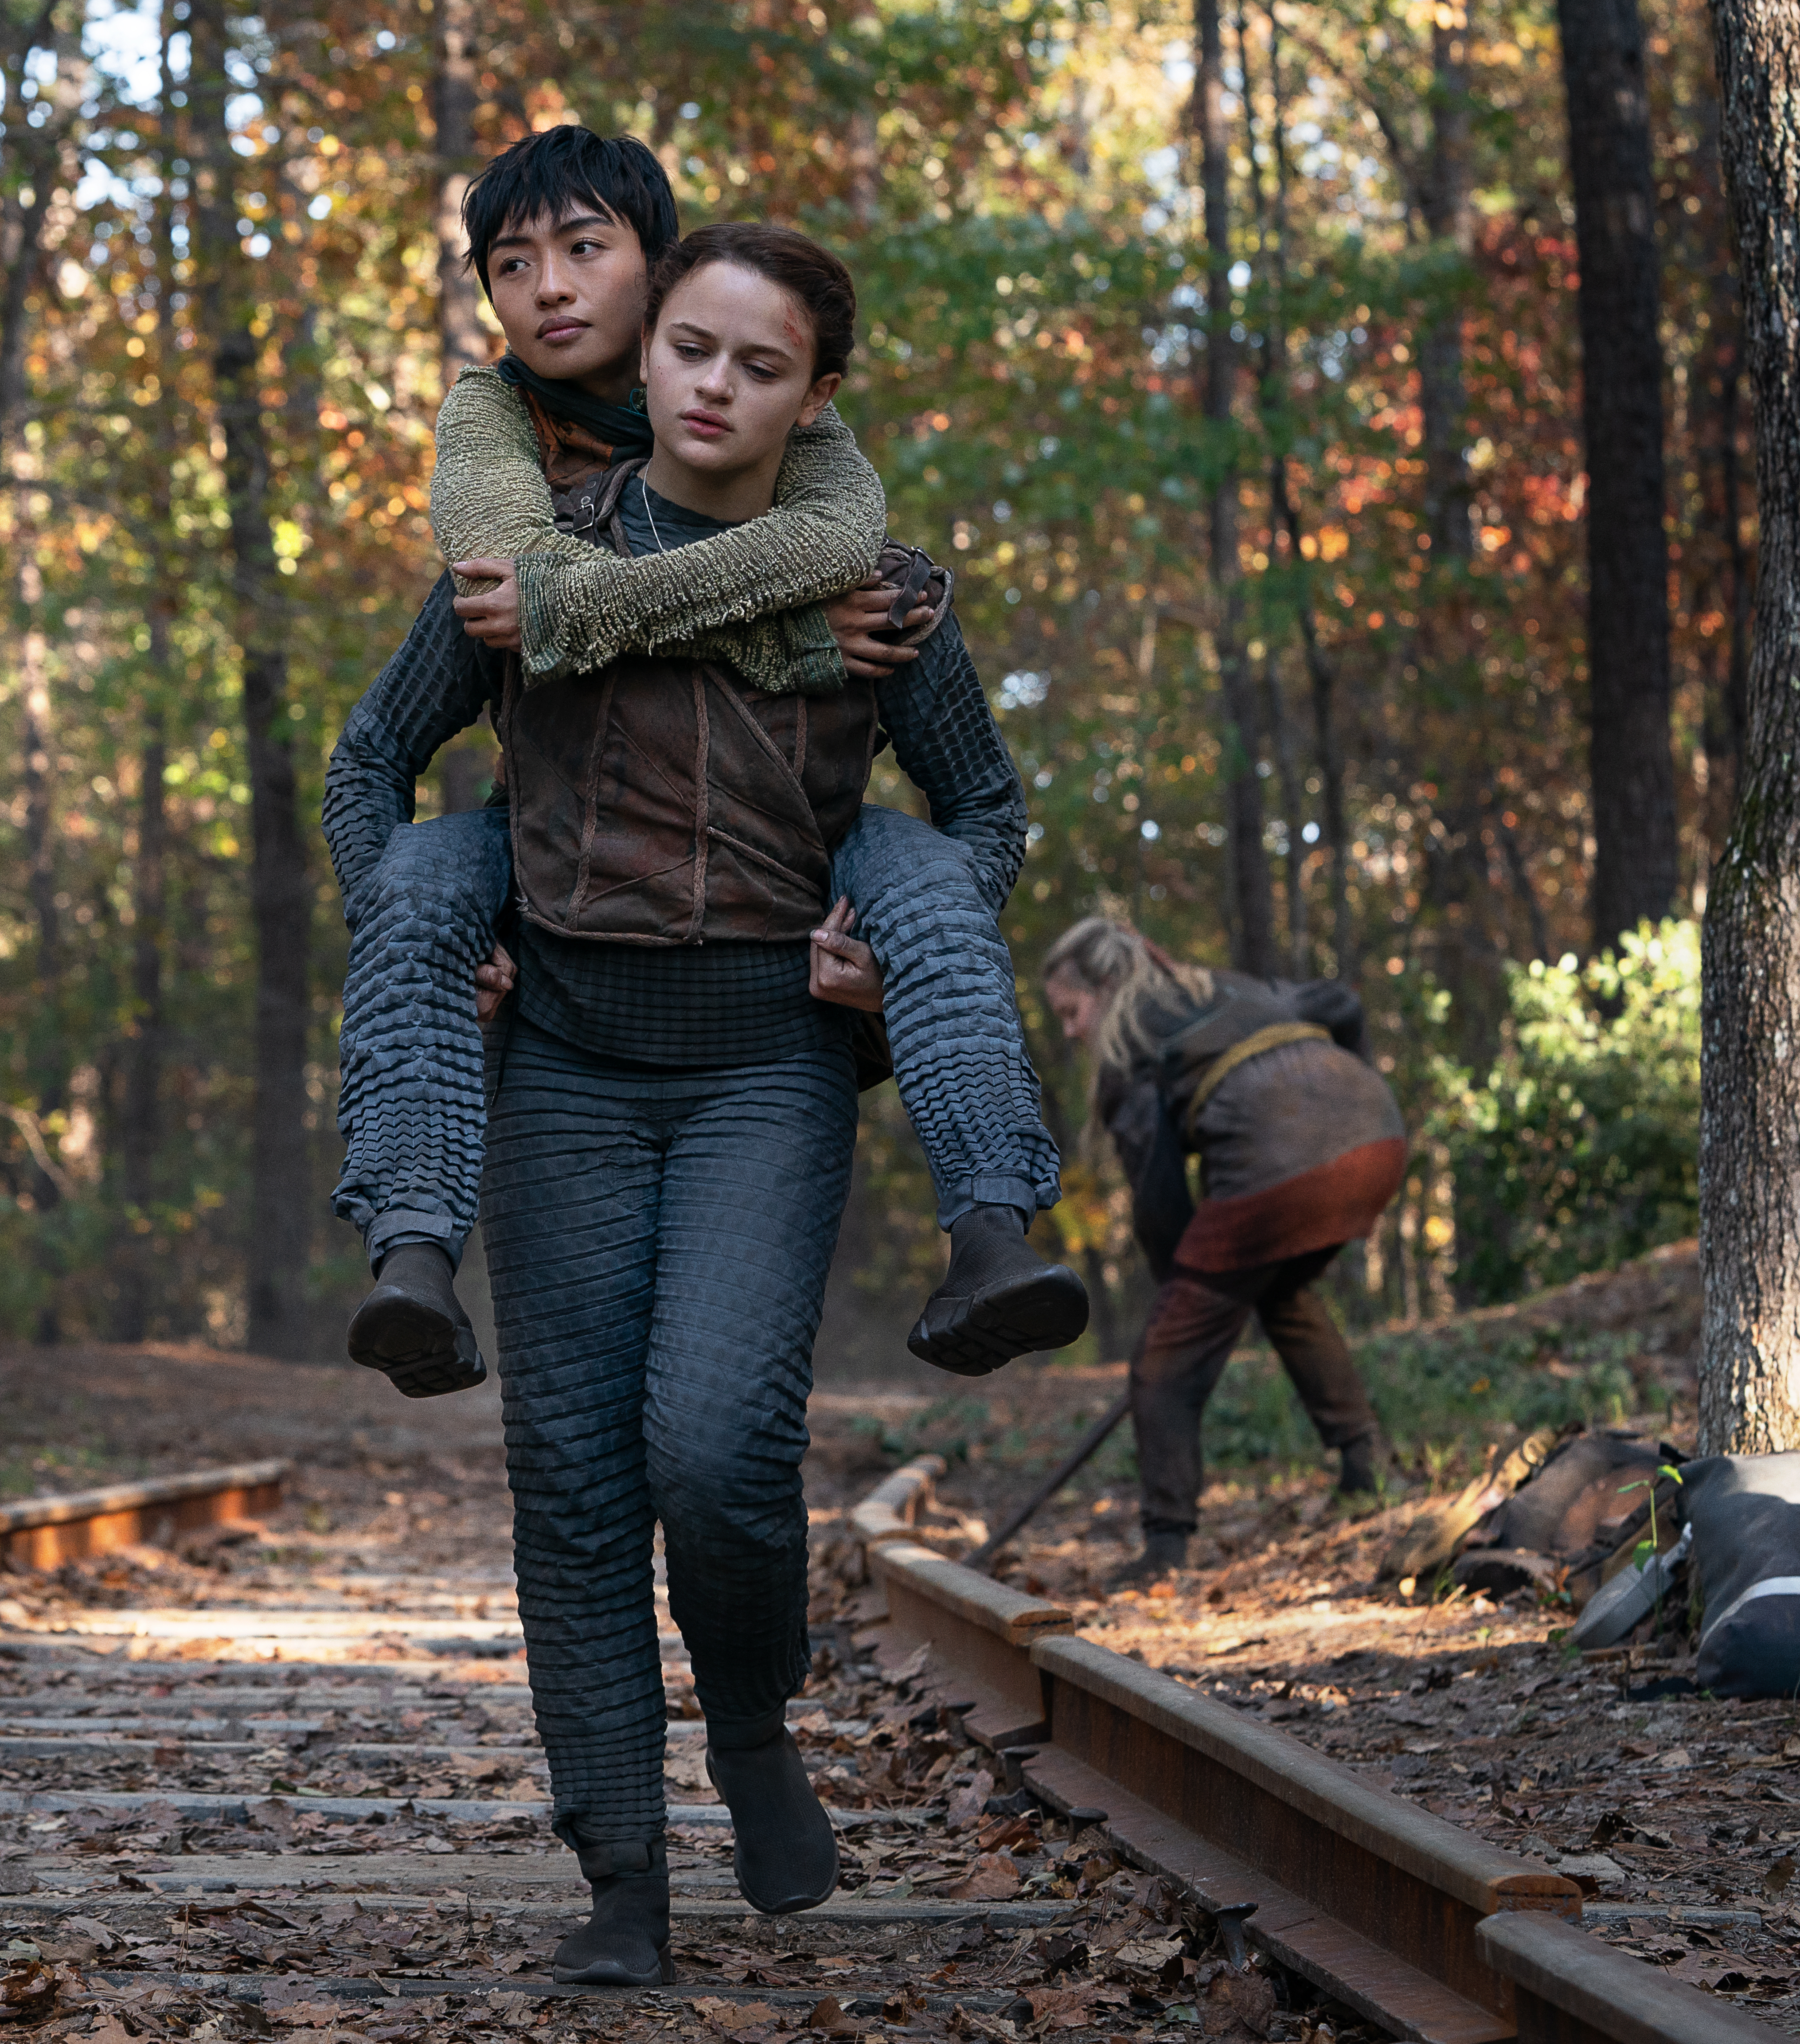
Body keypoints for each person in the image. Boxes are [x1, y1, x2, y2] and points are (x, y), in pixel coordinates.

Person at [335, 221, 1000, 1985]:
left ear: (817, 397)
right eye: (689, 350)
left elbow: (986, 813)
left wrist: (893, 946)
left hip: (765, 1079)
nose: (714, 386)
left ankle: (758, 1727)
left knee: (713, 1453)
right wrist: (420, 939)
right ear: (645, 362)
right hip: (560, 1067)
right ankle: (621, 1882)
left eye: (758, 364)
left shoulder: (883, 597)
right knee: (569, 1481)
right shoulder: (527, 562)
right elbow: (366, 760)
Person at [332, 127, 1082, 1403]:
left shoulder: (831, 497)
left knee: (914, 861)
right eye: (515, 265)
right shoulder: (504, 434)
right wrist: (418, 956)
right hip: (556, 914)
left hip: (770, 974)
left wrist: (881, 973)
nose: (552, 287)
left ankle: (994, 1231)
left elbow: (985, 804)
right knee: (418, 877)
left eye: (585, 251)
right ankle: (408, 1248)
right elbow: (489, 651)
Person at [1037, 914, 1407, 1582]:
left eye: (1071, 1011)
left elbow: (1156, 1195)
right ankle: (1364, 1467)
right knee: (1284, 1294)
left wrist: (1179, 1295)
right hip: (1379, 1135)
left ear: (1107, 983)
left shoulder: (1129, 1038)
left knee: (1166, 1362)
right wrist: (1355, 1093)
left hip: (1281, 1164)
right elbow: (1342, 1005)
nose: (1071, 1031)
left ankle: (1164, 1549)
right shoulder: (1232, 987)